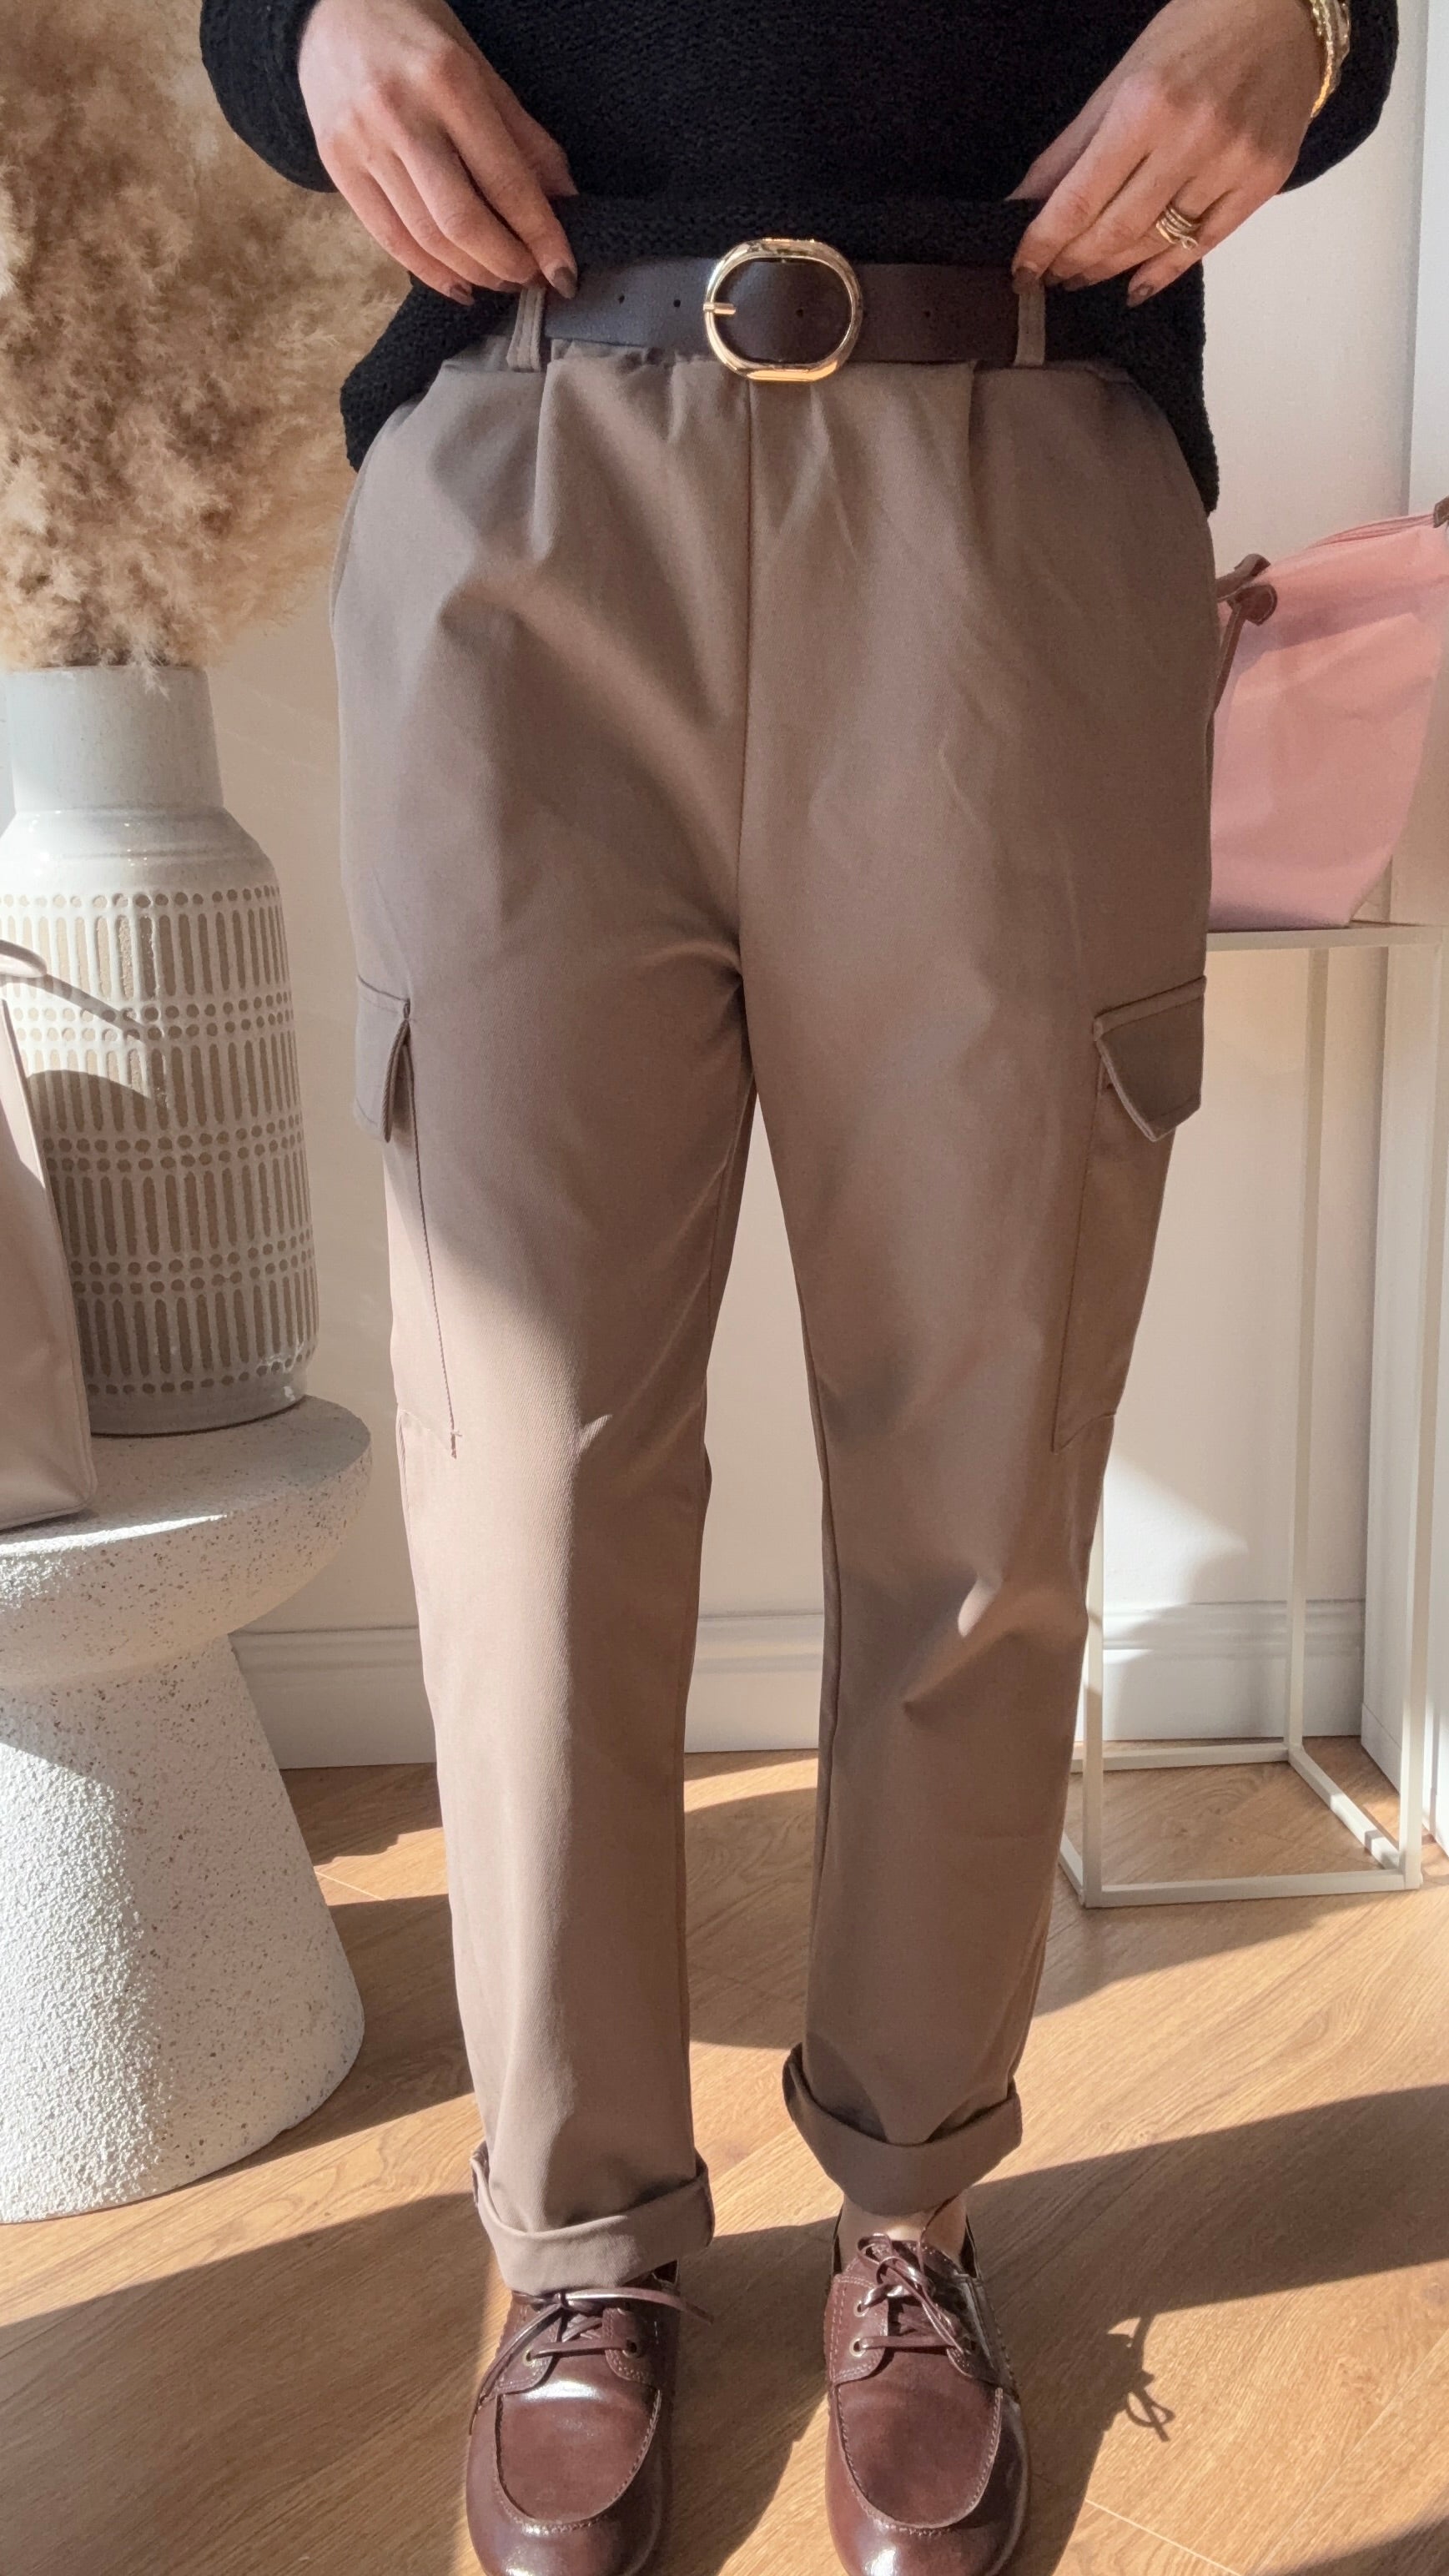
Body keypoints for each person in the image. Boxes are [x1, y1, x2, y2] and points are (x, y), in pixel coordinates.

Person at [201, 4, 1394, 2570]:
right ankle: (575, 2247)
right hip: (523, 473)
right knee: (524, 1481)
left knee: (980, 1448)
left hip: (1012, 461)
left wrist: (1295, 18)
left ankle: (911, 2209)